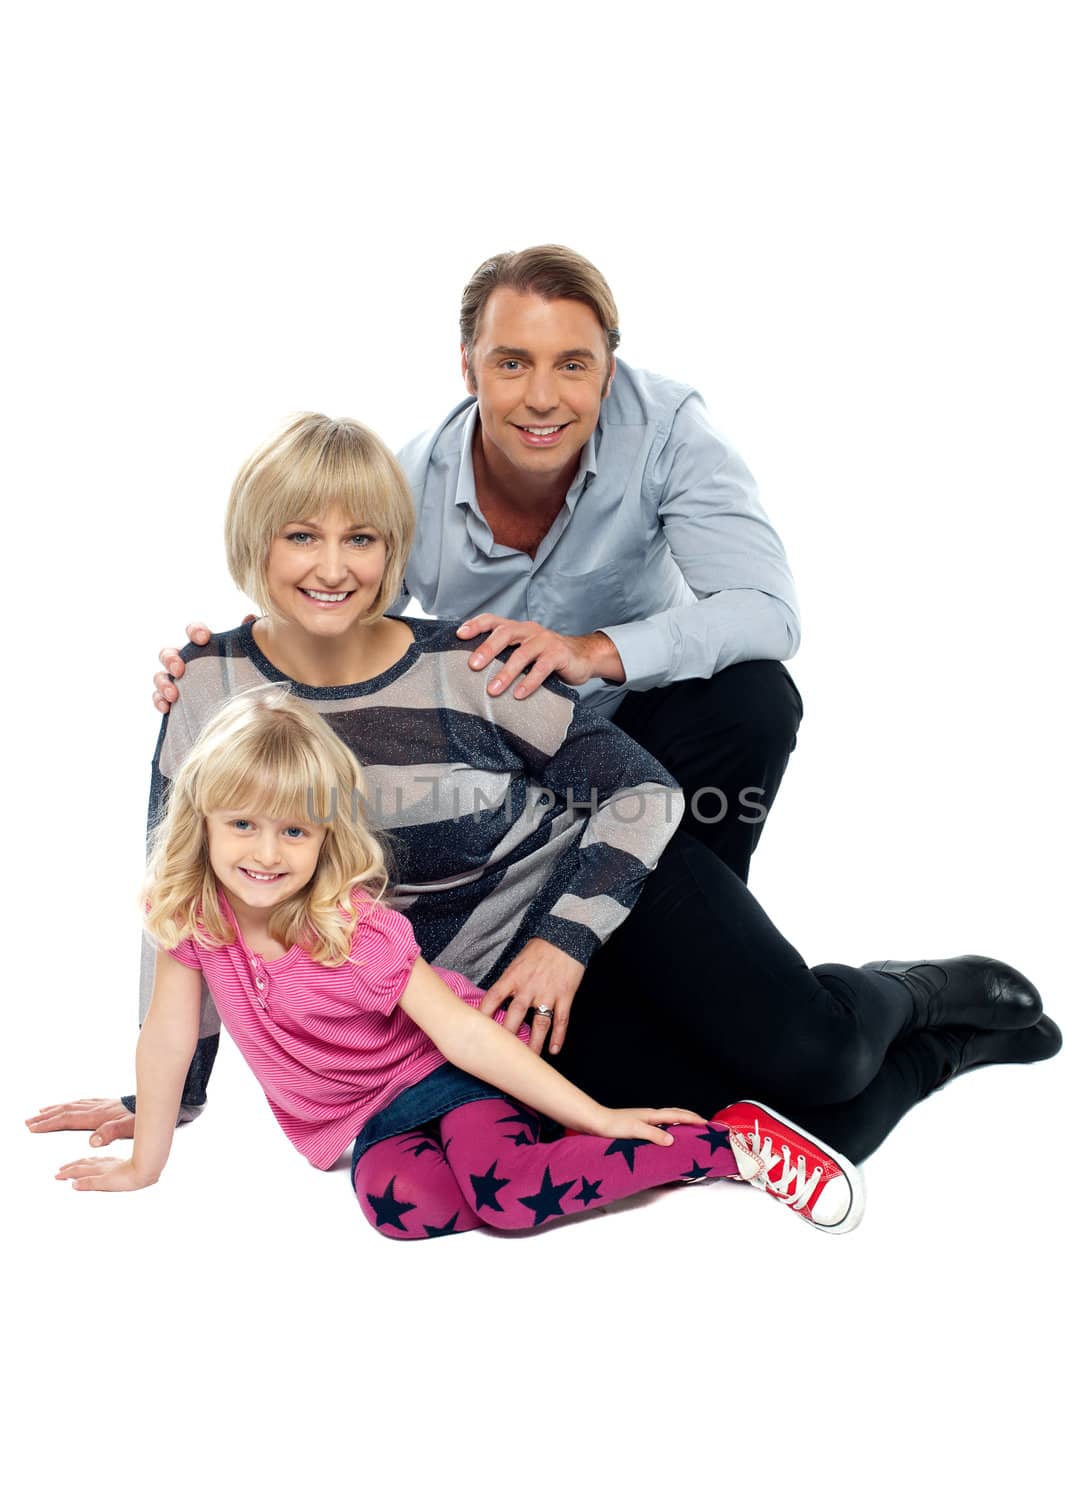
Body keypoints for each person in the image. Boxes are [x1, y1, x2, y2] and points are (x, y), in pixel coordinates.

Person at [29, 414, 1059, 1198]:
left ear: (396, 548)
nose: (333, 567)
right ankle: (942, 1054)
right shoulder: (208, 688)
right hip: (478, 1005)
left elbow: (643, 793)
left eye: (363, 538)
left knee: (821, 1055)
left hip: (600, 905)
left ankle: (907, 993)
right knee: (748, 1123)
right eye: (302, 536)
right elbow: (182, 891)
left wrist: (565, 938)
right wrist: (170, 1095)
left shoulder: (467, 664)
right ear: (257, 542)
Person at [52, 687, 864, 1237]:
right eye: (242, 827)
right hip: (368, 1119)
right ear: (201, 822)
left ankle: (723, 1147)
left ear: (326, 839)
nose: (266, 854)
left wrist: (602, 1119)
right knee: (393, 1208)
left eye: (293, 831)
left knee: (506, 1195)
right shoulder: (192, 915)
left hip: (447, 1072)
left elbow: (466, 1037)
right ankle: (547, 1154)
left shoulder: (351, 931)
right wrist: (145, 1163)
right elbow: (168, 1034)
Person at [153, 245, 804, 884]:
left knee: (754, 698)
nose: (542, 398)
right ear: (468, 369)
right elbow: (341, 617)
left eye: (572, 365)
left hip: (641, 719)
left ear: (609, 371)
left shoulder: (669, 433)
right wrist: (234, 669)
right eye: (512, 364)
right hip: (500, 750)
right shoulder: (408, 486)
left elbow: (766, 612)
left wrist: (592, 651)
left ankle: (698, 930)